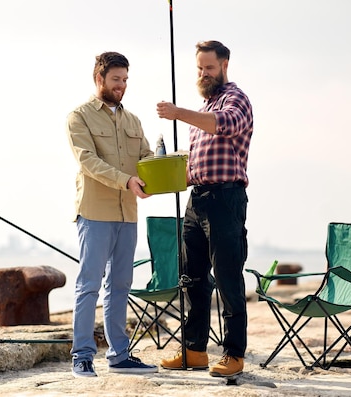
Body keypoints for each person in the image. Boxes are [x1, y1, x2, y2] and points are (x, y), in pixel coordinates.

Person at [156, 40, 253, 377]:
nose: (203, 73)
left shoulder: (235, 99)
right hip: (196, 202)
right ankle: (194, 350)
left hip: (226, 201)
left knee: (228, 278)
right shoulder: (204, 106)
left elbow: (224, 124)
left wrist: (177, 112)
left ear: (224, 64)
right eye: (199, 68)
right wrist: (154, 182)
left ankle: (234, 355)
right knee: (192, 279)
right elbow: (192, 168)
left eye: (209, 68)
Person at [66, 51, 158, 378]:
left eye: (126, 80)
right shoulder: (79, 117)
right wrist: (127, 180)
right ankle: (82, 356)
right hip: (94, 213)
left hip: (127, 214)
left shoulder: (133, 120)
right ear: (99, 79)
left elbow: (146, 157)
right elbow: (87, 162)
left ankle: (120, 355)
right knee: (89, 284)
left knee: (120, 284)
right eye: (116, 79)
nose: (122, 86)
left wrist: (169, 166)